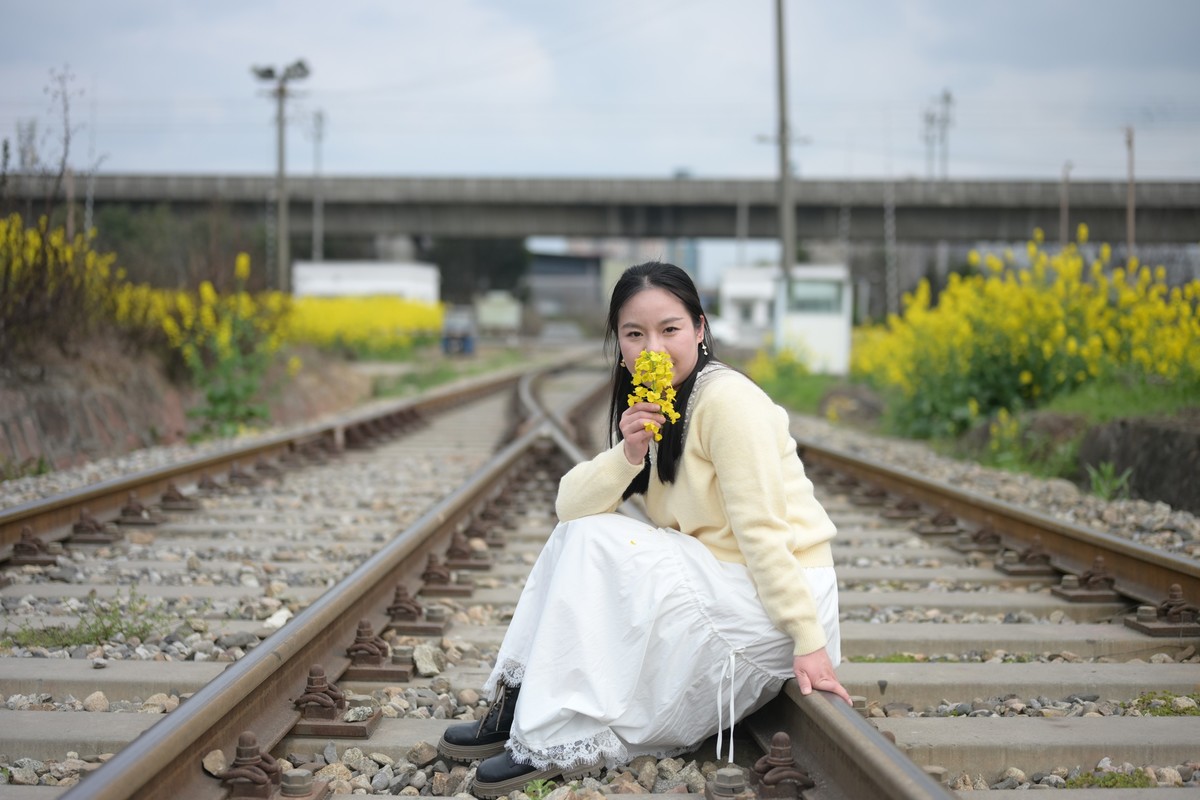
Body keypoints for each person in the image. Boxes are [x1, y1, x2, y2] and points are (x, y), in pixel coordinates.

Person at [438, 261, 848, 798]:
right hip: (724, 581)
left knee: (596, 543)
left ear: (700, 329)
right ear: (619, 344)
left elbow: (763, 532)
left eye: (669, 329)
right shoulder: (660, 405)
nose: (653, 348)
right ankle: (518, 705)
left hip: (774, 600)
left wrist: (809, 640)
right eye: (635, 334)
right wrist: (630, 452)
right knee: (580, 533)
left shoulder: (728, 401)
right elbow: (569, 506)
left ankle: (547, 737)